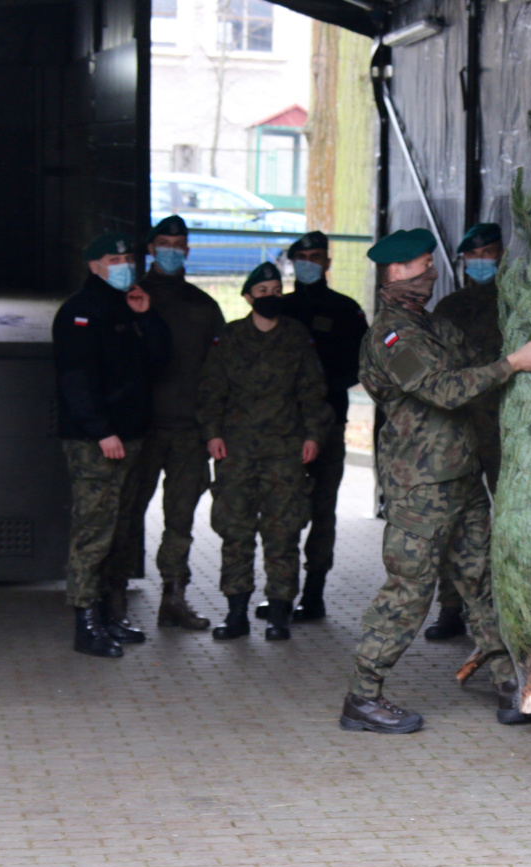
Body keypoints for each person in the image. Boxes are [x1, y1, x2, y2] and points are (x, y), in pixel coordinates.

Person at [340, 228, 531, 734]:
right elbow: (443, 389)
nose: (432, 273)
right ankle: (363, 697)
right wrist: (512, 364)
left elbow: (478, 362)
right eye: (422, 265)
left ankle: (510, 684)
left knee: (481, 583)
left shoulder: (433, 325)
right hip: (421, 486)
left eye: (432, 264)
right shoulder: (393, 336)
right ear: (396, 272)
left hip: (460, 474)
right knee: (409, 590)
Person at [197, 261, 332, 643]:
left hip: (285, 452)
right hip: (236, 452)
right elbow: (211, 391)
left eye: (276, 291)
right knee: (235, 534)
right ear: (247, 297)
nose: (271, 297)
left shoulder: (296, 336)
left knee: (283, 534)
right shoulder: (230, 337)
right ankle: (236, 614)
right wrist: (211, 434)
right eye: (262, 292)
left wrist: (313, 436)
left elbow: (312, 391)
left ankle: (278, 615)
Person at [52, 232, 171, 658]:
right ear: (94, 265)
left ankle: (109, 613)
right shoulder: (79, 312)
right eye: (114, 259)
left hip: (133, 437)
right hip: (96, 442)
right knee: (94, 531)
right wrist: (101, 430)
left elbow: (160, 361)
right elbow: (75, 378)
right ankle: (85, 621)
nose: (124, 266)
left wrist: (148, 316)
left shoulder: (129, 307)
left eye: (127, 259)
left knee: (121, 530)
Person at [253, 231, 367, 623]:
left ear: (327, 262)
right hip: (282, 429)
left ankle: (314, 594)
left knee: (322, 510)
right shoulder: (279, 309)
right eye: (301, 257)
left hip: (328, 424)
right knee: (280, 511)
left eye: (315, 256)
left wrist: (318, 391)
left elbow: (360, 366)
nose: (308, 263)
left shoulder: (345, 310)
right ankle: (281, 593)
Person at [123, 214, 226, 631]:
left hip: (188, 432)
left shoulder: (203, 306)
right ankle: (111, 599)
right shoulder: (130, 297)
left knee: (180, 521)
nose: (171, 250)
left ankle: (174, 599)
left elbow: (219, 373)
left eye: (178, 245)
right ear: (151, 249)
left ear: (187, 250)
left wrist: (212, 428)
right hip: (141, 430)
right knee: (126, 514)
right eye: (163, 243)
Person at [424, 222, 505, 642]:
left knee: (508, 518)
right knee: (452, 520)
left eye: (487, 253)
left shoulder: (520, 304)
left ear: (502, 255)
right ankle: (450, 608)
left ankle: (506, 609)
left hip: (507, 430)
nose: (480, 261)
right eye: (472, 256)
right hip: (459, 428)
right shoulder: (449, 308)